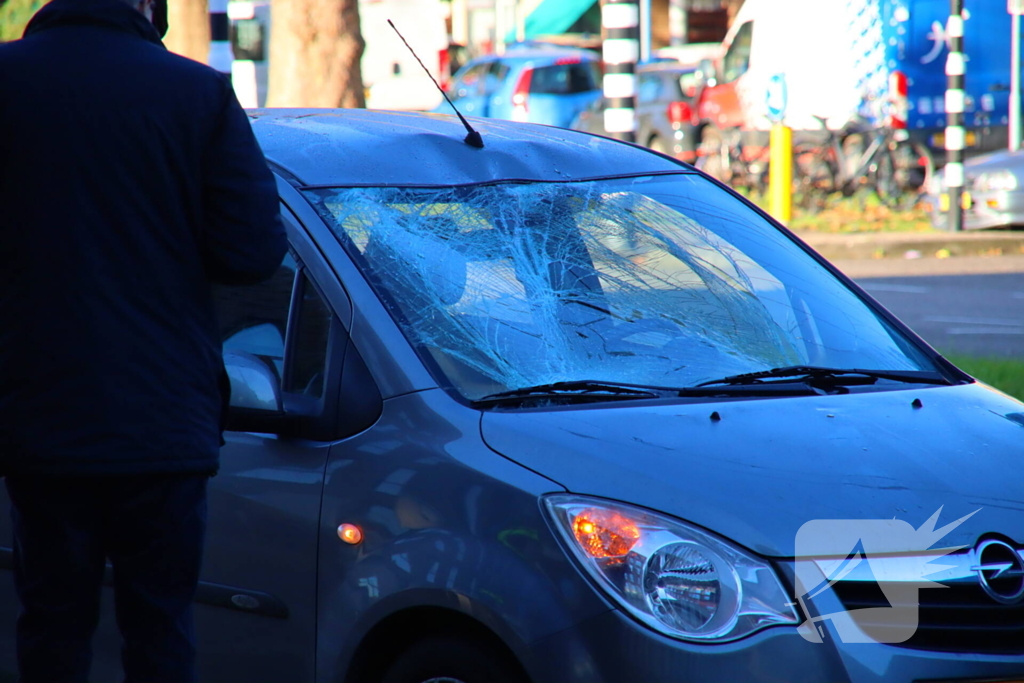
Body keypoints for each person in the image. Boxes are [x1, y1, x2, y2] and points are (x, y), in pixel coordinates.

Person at [0, 0, 287, 680]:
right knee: (160, 627)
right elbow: (251, 253)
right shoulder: (196, 92)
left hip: (38, 411)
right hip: (162, 415)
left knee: (51, 622)